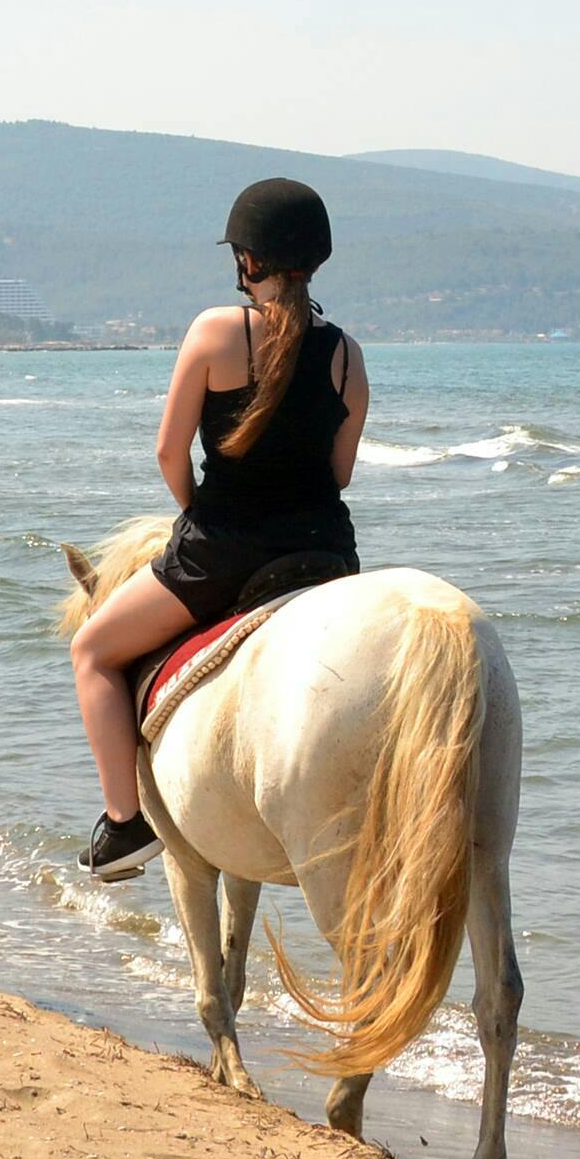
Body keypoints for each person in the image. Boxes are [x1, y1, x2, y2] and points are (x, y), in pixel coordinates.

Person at [67, 178, 370, 883]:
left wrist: (196, 509)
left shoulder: (216, 331)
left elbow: (170, 452)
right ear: (315, 261)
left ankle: (123, 825)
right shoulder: (348, 355)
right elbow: (342, 474)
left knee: (92, 651)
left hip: (227, 549)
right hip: (327, 554)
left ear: (248, 261)